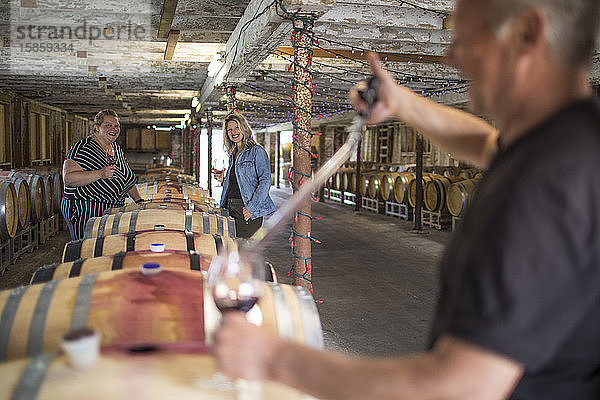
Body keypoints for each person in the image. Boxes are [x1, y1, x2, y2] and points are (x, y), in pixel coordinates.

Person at [213, 0, 600, 399]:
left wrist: (274, 359)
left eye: (466, 37)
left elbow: (459, 388)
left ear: (526, 33)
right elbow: (484, 142)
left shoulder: (544, 185)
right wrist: (403, 102)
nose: (451, 55)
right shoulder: (570, 139)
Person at [61, 109, 143, 240]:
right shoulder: (82, 149)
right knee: (86, 248)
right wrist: (99, 173)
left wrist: (139, 201)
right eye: (108, 125)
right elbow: (69, 178)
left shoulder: (115, 148)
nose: (114, 129)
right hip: (86, 210)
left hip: (111, 212)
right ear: (97, 127)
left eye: (116, 126)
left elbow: (126, 180)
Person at [212, 112, 276, 238]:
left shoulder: (256, 151)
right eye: (229, 129)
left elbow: (265, 181)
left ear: (244, 128)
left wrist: (251, 208)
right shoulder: (233, 153)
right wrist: (223, 180)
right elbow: (239, 183)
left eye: (237, 127)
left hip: (246, 208)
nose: (233, 132)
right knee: (232, 247)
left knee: (243, 249)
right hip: (230, 207)